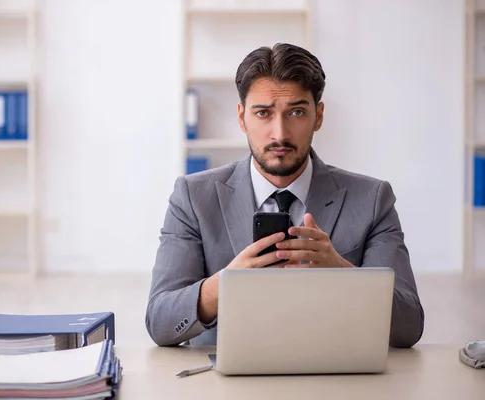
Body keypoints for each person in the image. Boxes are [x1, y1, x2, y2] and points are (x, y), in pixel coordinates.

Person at [145, 42, 424, 349]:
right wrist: (225, 285)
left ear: (318, 116)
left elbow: (409, 326)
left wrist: (343, 275)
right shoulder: (192, 198)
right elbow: (160, 322)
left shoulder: (373, 200)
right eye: (263, 113)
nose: (279, 134)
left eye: (296, 112)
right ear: (242, 118)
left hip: (338, 380)